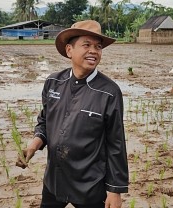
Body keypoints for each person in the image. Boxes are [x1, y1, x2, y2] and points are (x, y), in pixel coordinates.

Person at [16, 20, 129, 208]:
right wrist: (33, 146)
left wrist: (115, 191)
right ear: (69, 50)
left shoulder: (109, 92)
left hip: (90, 185)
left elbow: (115, 143)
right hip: (54, 180)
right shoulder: (53, 83)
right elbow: (45, 121)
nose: (94, 50)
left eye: (98, 46)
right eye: (86, 45)